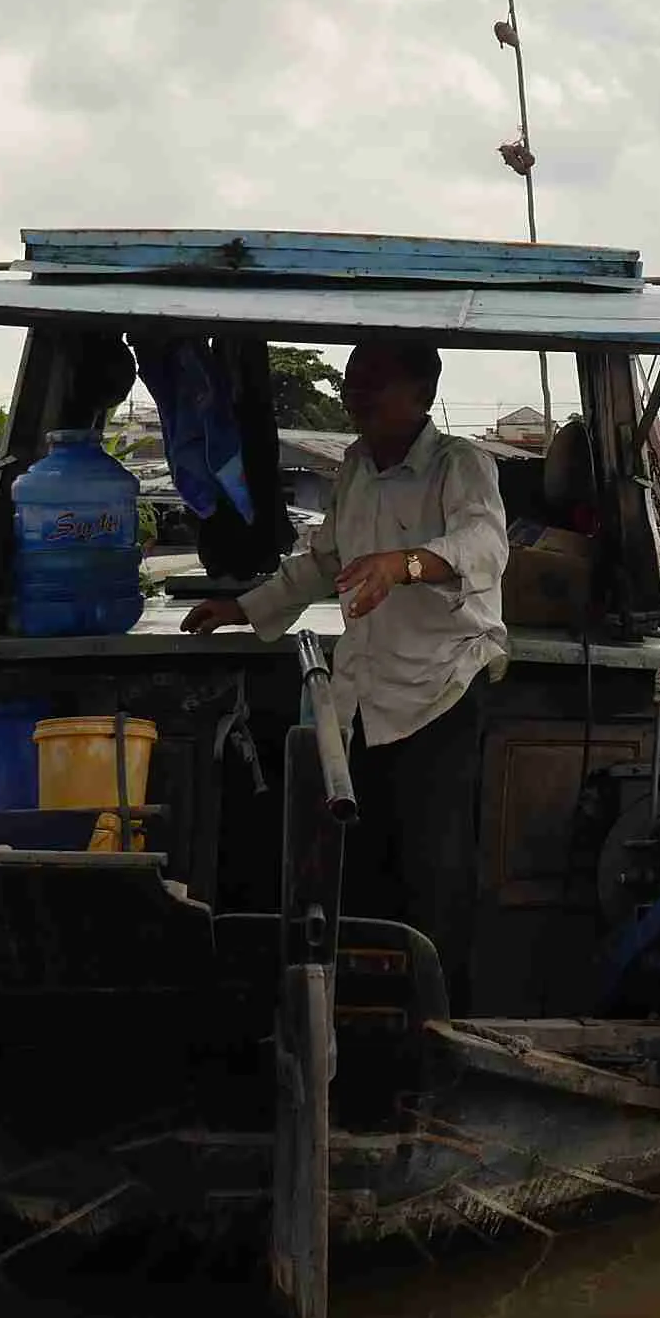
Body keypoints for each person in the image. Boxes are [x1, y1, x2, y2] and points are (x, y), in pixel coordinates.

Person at [185, 341, 510, 1002]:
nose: (353, 398)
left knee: (435, 872)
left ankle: (440, 1023)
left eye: (372, 385)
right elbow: (325, 558)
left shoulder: (460, 463)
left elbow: (484, 546)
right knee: (364, 861)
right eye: (351, 385)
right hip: (367, 693)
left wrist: (404, 564)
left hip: (440, 691)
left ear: (420, 394)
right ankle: (361, 1013)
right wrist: (242, 608)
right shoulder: (358, 465)